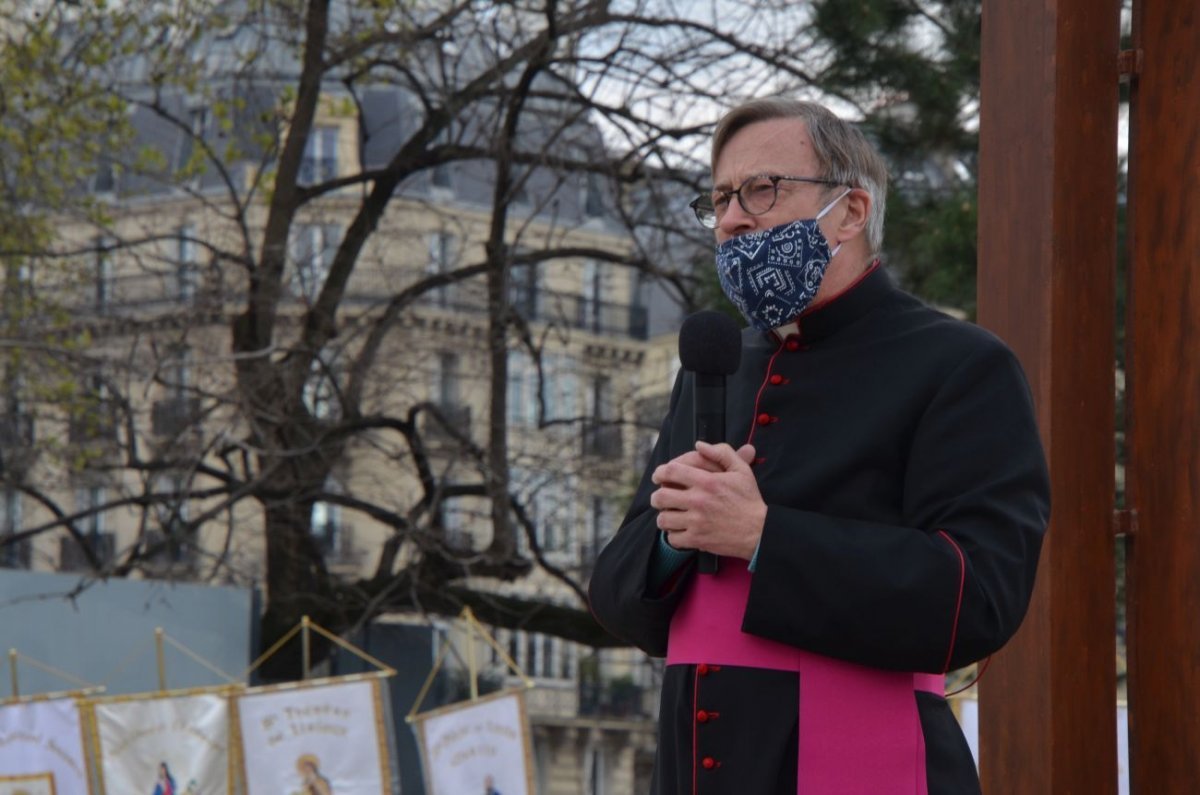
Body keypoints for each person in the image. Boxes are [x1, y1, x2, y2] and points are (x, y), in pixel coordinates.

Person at [587, 98, 1050, 795]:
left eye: (761, 189)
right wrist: (673, 541)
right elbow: (618, 597)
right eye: (719, 198)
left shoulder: (961, 365)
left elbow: (980, 594)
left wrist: (764, 535)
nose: (734, 216)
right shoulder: (716, 366)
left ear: (852, 211)